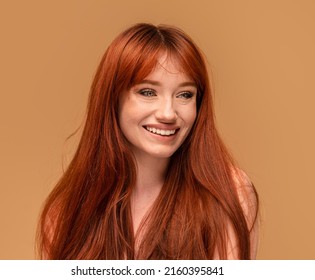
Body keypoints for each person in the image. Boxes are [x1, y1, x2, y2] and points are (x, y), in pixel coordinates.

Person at [37, 23, 259, 260]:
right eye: (147, 92)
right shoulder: (65, 211)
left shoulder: (229, 193)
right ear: (113, 99)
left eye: (185, 95)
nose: (168, 113)